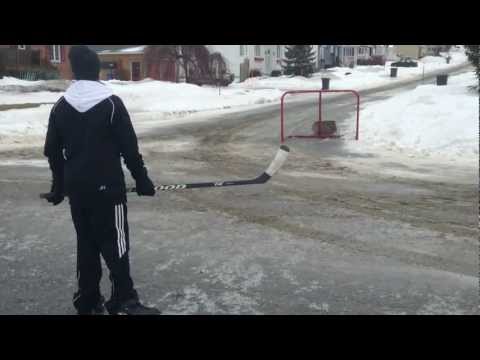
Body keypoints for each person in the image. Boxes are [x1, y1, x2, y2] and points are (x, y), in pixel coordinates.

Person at [43, 45, 160, 315]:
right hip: (108, 192)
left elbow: (52, 151)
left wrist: (59, 187)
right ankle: (124, 299)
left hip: (78, 191)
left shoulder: (61, 106)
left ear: (74, 70)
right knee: (115, 243)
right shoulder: (110, 104)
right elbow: (129, 148)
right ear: (97, 70)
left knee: (87, 244)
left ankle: (88, 300)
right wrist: (142, 180)